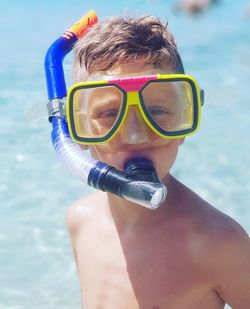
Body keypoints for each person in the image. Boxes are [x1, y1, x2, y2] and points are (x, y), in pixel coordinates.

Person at [66, 15, 250, 308]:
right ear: (77, 128)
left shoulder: (216, 242)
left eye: (158, 110)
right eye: (110, 114)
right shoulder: (79, 220)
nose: (137, 134)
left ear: (186, 114)